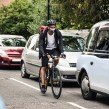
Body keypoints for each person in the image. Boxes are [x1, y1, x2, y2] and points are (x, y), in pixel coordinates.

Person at [39, 19, 66, 94]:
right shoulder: (43, 34)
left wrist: (62, 52)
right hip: (45, 50)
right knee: (44, 67)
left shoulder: (57, 33)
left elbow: (60, 43)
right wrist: (44, 54)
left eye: (54, 26)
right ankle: (43, 85)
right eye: (51, 26)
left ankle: (53, 69)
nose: (53, 28)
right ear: (48, 27)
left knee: (56, 59)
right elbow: (40, 45)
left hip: (54, 49)